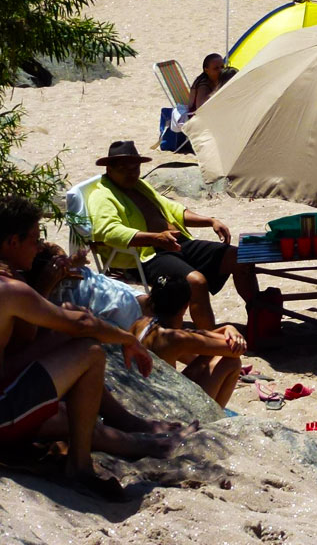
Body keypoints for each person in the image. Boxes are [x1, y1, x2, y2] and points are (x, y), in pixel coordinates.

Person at [1, 195, 157, 501]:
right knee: (90, 352)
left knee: (69, 328)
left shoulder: (13, 284)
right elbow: (83, 326)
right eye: (33, 238)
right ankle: (80, 466)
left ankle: (117, 426)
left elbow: (24, 342)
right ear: (11, 242)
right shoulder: (11, 290)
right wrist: (128, 340)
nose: (38, 246)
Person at [88, 141, 258, 330]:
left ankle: (259, 320)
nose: (131, 173)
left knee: (240, 258)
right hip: (144, 256)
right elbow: (108, 231)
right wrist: (155, 238)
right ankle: (211, 344)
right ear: (109, 169)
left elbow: (173, 209)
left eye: (135, 167)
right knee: (196, 282)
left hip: (175, 242)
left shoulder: (139, 185)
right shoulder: (102, 196)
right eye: (123, 168)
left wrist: (210, 220)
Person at [130, 275, 246, 408]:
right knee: (231, 362)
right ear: (186, 306)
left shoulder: (140, 323)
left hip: (140, 399)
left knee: (212, 354)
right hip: (161, 408)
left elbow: (196, 337)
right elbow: (236, 350)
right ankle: (215, 418)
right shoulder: (176, 339)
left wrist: (227, 328)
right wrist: (229, 332)